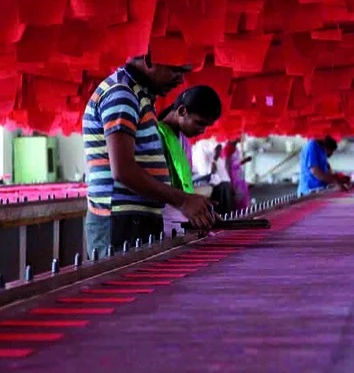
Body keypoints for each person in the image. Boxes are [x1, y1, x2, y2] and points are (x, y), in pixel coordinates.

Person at [83, 54, 215, 255]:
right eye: (175, 70)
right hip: (121, 221)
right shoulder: (122, 94)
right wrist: (183, 201)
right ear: (149, 60)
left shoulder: (139, 96)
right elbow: (123, 170)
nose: (181, 80)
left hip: (132, 219)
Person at [155, 85, 223, 235]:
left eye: (206, 126)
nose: (202, 130)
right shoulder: (156, 136)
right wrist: (187, 204)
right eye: (199, 123)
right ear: (182, 111)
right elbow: (154, 186)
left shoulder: (183, 139)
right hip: (162, 223)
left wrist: (201, 211)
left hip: (178, 221)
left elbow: (183, 187)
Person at [223, 138, 252, 210]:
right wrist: (231, 184)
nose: (240, 137)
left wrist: (244, 161)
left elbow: (235, 163)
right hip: (234, 179)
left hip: (239, 178)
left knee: (243, 197)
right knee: (238, 198)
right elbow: (227, 167)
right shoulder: (228, 149)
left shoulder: (235, 148)